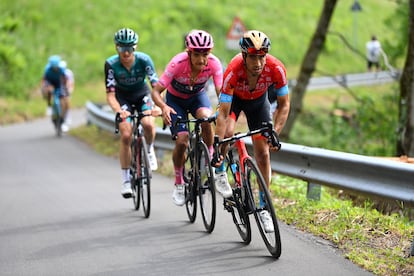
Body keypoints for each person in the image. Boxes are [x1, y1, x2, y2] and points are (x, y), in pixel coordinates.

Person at [213, 30, 290, 232]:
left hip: (258, 103)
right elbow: (222, 114)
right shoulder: (233, 70)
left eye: (261, 57)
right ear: (244, 55)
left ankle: (264, 207)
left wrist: (275, 132)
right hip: (235, 101)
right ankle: (220, 171)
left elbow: (284, 105)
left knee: (263, 152)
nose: (257, 63)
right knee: (228, 132)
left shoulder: (276, 68)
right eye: (253, 57)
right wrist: (218, 142)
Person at [151, 30, 223, 206]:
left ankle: (210, 158)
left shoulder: (214, 64)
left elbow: (221, 92)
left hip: (197, 97)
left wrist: (224, 109)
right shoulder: (177, 64)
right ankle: (179, 181)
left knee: (206, 118)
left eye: (205, 54)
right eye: (197, 54)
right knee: (182, 141)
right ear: (188, 52)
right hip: (175, 102)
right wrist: (163, 107)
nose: (201, 59)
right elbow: (155, 91)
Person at [105, 27, 160, 199]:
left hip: (141, 94)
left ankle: (149, 149)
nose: (126, 53)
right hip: (123, 98)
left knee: (148, 124)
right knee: (126, 135)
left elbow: (157, 87)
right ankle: (126, 180)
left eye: (129, 48)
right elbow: (110, 95)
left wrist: (159, 106)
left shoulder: (144, 60)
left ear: (135, 48)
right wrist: (119, 111)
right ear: (116, 48)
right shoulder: (111, 64)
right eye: (122, 48)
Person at [41, 55, 70, 131]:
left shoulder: (61, 69)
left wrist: (65, 88)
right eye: (54, 67)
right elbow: (44, 80)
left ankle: (62, 118)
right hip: (50, 83)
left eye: (56, 67)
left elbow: (65, 78)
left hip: (59, 84)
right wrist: (45, 87)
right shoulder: (47, 70)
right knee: (49, 91)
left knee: (64, 101)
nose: (55, 68)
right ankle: (49, 106)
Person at [59, 60, 75, 129]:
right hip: (58, 90)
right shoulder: (57, 73)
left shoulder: (68, 73)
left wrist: (70, 90)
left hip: (66, 90)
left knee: (67, 104)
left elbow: (71, 83)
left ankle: (66, 118)